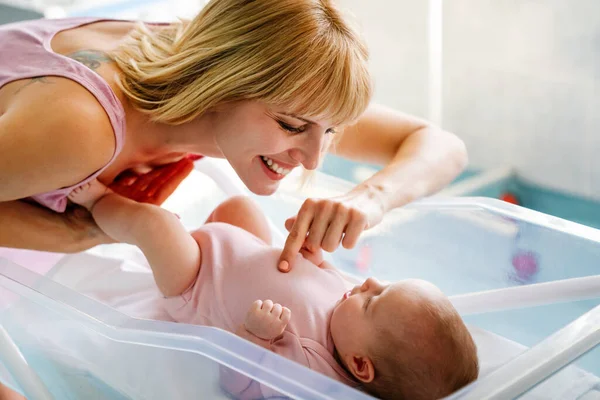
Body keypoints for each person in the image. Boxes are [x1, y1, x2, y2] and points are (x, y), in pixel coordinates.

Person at [0, 0, 467, 267]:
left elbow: (441, 145)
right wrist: (80, 233)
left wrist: (369, 199)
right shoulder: (84, 128)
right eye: (291, 127)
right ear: (219, 88)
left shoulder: (251, 70)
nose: (312, 159)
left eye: (331, 131)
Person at [67, 180, 479, 399]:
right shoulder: (348, 317)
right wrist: (314, 258)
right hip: (241, 249)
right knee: (239, 208)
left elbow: (239, 385)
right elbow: (320, 279)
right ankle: (191, 233)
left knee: (155, 227)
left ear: (359, 365)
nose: (368, 284)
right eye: (381, 285)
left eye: (374, 301)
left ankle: (99, 203)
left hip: (198, 284)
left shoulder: (311, 372)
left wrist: (255, 336)